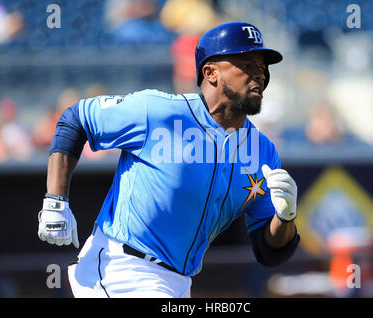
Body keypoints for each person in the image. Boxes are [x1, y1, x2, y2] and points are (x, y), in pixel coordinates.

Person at [37, 22, 301, 298]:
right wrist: (56, 200)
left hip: (177, 283)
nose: (259, 74)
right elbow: (76, 119)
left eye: (262, 66)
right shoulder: (158, 111)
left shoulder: (263, 151)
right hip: (122, 269)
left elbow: (269, 252)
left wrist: (285, 218)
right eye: (246, 63)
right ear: (210, 73)